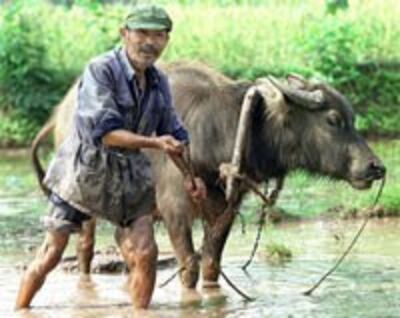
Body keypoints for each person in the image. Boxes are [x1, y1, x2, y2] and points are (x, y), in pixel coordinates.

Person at [15, 4, 206, 310]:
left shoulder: (159, 82)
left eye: (159, 35)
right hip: (83, 173)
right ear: (124, 34)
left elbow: (176, 133)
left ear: (166, 41)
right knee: (51, 253)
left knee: (145, 252)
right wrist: (155, 143)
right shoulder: (100, 70)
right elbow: (106, 133)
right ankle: (19, 310)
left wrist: (190, 176)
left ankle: (140, 314)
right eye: (142, 33)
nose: (150, 42)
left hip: (129, 175)